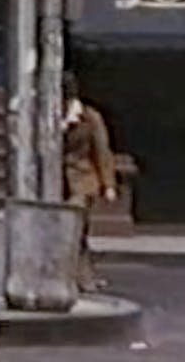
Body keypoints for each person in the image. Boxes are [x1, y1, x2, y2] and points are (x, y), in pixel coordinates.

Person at [61, 72, 117, 293]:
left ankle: (82, 277)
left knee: (76, 228)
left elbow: (102, 151)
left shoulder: (90, 118)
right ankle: (74, 275)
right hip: (56, 180)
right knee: (66, 232)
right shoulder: (47, 116)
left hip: (82, 179)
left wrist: (108, 184)